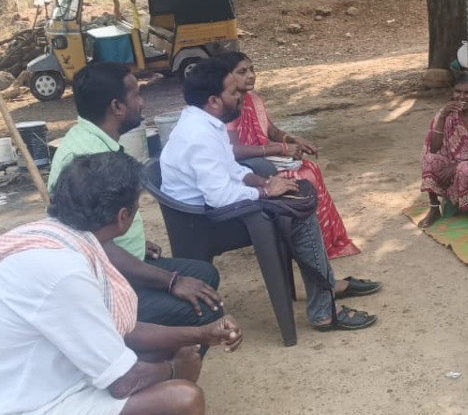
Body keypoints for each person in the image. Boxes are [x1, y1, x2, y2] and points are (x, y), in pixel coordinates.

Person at [0, 152, 243, 415]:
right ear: (123, 217)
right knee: (184, 400)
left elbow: (123, 332)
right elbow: (124, 383)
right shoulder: (64, 271)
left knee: (158, 356)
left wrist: (202, 334)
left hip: (17, 403)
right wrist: (175, 369)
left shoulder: (54, 241)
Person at [160, 58, 382, 331]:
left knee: (296, 198)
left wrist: (266, 181)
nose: (240, 97)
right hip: (206, 222)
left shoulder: (204, 122)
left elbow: (232, 169)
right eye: (233, 92)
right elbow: (221, 196)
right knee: (300, 216)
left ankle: (327, 289)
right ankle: (324, 311)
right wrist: (265, 191)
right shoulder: (199, 135)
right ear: (214, 100)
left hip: (210, 211)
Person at [48, 62, 228, 340]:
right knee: (202, 306)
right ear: (117, 106)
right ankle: (158, 361)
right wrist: (172, 281)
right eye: (136, 95)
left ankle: (160, 351)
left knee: (203, 274)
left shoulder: (90, 141)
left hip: (114, 266)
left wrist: (134, 242)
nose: (142, 102)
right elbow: (94, 246)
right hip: (103, 286)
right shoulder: (89, 161)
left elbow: (96, 228)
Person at [222, 52, 360, 259]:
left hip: (262, 160)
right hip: (245, 168)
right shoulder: (228, 106)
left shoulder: (254, 100)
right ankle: (303, 243)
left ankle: (322, 241)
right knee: (302, 178)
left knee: (311, 168)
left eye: (252, 69)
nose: (251, 75)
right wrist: (280, 149)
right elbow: (233, 151)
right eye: (242, 72)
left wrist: (293, 140)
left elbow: (271, 131)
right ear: (227, 77)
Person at [418, 72, 468, 228]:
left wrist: (456, 167)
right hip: (451, 170)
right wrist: (442, 118)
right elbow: (434, 148)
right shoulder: (445, 114)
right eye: (457, 91)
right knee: (429, 159)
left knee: (465, 168)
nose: (462, 97)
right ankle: (434, 208)